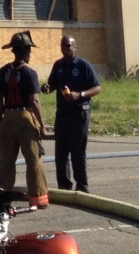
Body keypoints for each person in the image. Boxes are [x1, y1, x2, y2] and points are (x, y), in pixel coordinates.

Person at [0, 31, 49, 207]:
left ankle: (1, 199)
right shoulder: (30, 73)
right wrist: (42, 125)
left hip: (7, 118)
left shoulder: (3, 71)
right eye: (29, 51)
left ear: (13, 51)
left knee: (5, 162)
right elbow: (34, 100)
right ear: (26, 52)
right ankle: (38, 199)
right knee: (33, 160)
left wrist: (0, 119)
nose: (30, 54)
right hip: (25, 118)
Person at [43, 35, 100, 192]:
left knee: (78, 152)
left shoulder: (84, 66)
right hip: (62, 114)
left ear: (75, 47)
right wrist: (47, 88)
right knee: (61, 153)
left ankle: (82, 188)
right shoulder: (58, 65)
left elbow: (97, 88)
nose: (65, 49)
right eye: (63, 46)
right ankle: (64, 187)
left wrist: (79, 95)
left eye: (68, 46)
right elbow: (52, 84)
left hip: (79, 113)